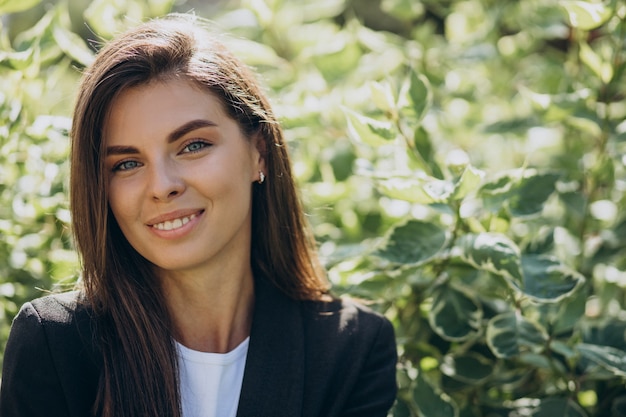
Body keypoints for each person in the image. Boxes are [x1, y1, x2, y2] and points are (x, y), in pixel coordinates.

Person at [0, 13, 397, 417]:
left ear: (258, 152)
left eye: (193, 146)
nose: (162, 185)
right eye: (126, 164)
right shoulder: (56, 345)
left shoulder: (351, 348)